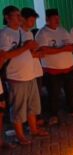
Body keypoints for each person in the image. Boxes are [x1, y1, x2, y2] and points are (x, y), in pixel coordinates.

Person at [0, 5, 48, 144]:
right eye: (16, 15)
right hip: (16, 76)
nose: (19, 17)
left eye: (19, 14)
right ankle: (19, 135)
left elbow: (28, 51)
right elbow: (6, 55)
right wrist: (26, 47)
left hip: (30, 74)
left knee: (33, 105)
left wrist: (35, 52)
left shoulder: (24, 32)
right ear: (7, 17)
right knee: (18, 107)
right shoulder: (4, 34)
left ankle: (34, 130)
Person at [36, 9, 73, 125]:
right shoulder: (42, 33)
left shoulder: (63, 30)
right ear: (47, 20)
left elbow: (71, 45)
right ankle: (53, 114)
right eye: (54, 18)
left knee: (71, 90)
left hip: (68, 68)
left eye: (58, 18)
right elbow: (44, 50)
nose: (57, 20)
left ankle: (72, 109)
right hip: (52, 70)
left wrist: (72, 47)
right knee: (54, 93)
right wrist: (62, 49)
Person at [20, 7, 45, 126]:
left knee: (35, 98)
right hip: (24, 73)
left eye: (34, 20)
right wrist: (36, 53)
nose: (33, 22)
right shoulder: (18, 33)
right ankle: (26, 123)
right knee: (24, 100)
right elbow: (24, 53)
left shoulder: (29, 33)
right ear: (22, 19)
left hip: (35, 70)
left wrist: (36, 53)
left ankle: (35, 121)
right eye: (31, 19)